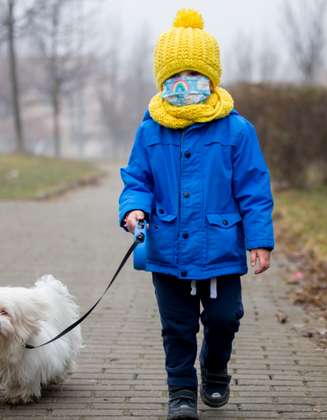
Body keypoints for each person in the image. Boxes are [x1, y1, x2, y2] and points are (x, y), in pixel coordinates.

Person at [118, 8, 274, 420]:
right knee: (177, 328)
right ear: (162, 80)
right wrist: (134, 207)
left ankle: (215, 368)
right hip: (167, 250)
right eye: (174, 77)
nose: (184, 84)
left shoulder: (237, 130)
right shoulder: (150, 129)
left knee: (225, 319)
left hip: (220, 248)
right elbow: (138, 179)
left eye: (194, 75)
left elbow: (254, 189)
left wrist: (259, 240)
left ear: (212, 78)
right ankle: (182, 393)